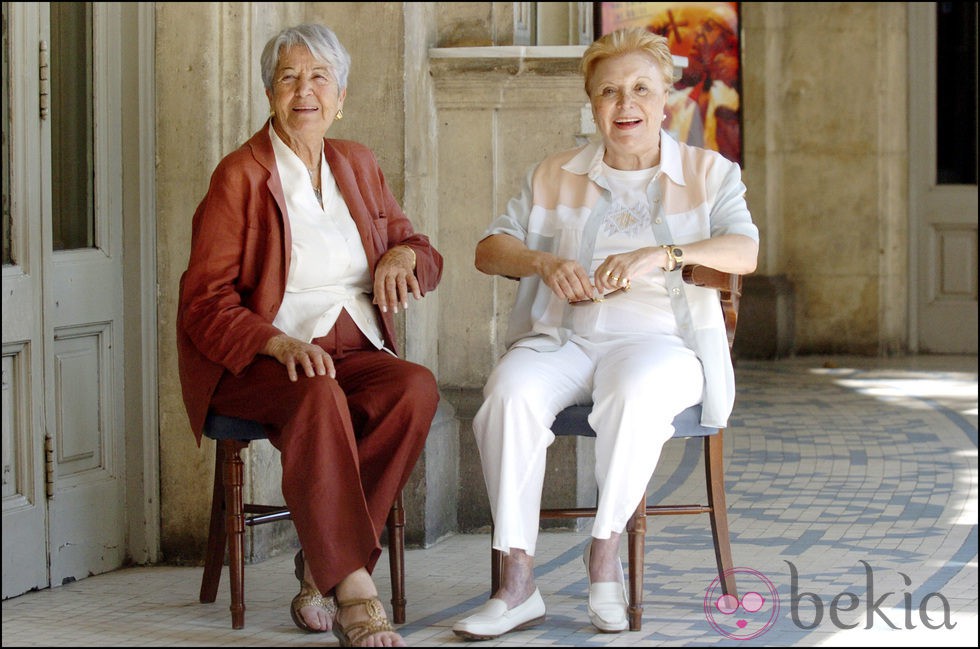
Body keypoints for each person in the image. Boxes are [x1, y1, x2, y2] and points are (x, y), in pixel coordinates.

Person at [453, 27, 758, 640]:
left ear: (665, 97)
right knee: (508, 395)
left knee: (636, 392)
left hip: (662, 344)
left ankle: (604, 559)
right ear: (591, 101)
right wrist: (543, 263)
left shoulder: (708, 172)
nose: (626, 105)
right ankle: (517, 583)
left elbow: (744, 250)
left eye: (641, 89)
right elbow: (489, 249)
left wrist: (662, 254)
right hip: (564, 339)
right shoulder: (553, 173)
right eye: (610, 91)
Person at [177, 23, 442, 648]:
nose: (306, 91)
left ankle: (318, 564)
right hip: (259, 360)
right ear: (270, 92)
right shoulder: (239, 176)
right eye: (289, 77)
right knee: (318, 391)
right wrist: (274, 341)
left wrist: (403, 257)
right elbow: (203, 304)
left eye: (319, 76)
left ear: (340, 92)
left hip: (355, 348)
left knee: (416, 388)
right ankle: (354, 592)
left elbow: (420, 249)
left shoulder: (358, 163)